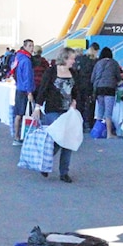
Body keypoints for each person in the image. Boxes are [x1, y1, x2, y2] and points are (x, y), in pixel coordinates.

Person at [32, 47, 80, 183]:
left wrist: (75, 101)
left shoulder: (73, 73)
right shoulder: (51, 71)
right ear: (65, 58)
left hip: (68, 111)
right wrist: (37, 107)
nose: (73, 61)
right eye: (72, 58)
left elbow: (76, 90)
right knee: (59, 138)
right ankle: (45, 162)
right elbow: (43, 89)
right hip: (53, 110)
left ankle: (64, 172)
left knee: (68, 141)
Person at [91, 47, 123, 138]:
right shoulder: (114, 63)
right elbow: (118, 78)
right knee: (108, 113)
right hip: (110, 89)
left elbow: (92, 78)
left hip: (99, 89)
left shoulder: (98, 63)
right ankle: (109, 134)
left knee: (100, 112)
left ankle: (97, 132)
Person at [9, 39, 35, 145]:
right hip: (25, 89)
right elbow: (28, 77)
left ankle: (16, 135)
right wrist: (29, 92)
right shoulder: (27, 61)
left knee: (18, 114)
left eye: (32, 46)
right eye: (30, 46)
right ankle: (20, 136)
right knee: (24, 114)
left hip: (19, 88)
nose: (32, 48)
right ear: (24, 46)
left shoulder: (17, 58)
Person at [75, 42, 100, 131]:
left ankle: (79, 124)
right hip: (90, 85)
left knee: (79, 104)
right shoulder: (96, 61)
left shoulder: (80, 59)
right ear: (95, 50)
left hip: (80, 84)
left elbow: (76, 72)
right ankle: (89, 123)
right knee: (90, 104)